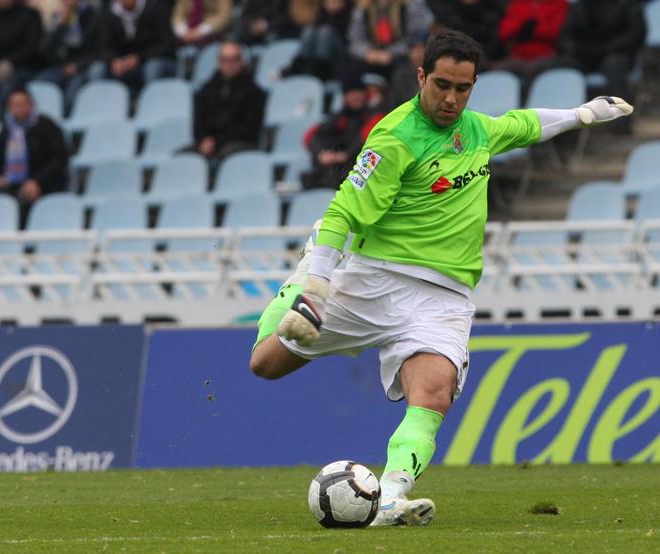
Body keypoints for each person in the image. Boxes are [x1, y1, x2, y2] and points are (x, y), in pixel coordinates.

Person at [248, 30, 632, 526]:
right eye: (443, 85)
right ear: (421, 76)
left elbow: (523, 124)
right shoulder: (394, 138)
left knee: (434, 392)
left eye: (464, 88)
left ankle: (388, 498)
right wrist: (316, 287)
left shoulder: (475, 130)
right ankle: (301, 276)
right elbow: (343, 211)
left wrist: (582, 113)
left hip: (443, 296)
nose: (452, 99)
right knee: (265, 364)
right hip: (372, 281)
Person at [0, 89, 68, 228]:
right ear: (10, 108)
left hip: (44, 183)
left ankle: (24, 243)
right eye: (15, 105)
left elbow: (59, 159)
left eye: (23, 103)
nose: (20, 108)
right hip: (11, 182)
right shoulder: (6, 130)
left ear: (31, 105)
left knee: (24, 199)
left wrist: (37, 181)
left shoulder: (47, 126)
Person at [560, 0, 646, 124]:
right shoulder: (578, 7)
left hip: (615, 53)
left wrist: (607, 48)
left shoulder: (627, 4)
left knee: (615, 65)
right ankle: (558, 120)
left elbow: (636, 35)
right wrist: (578, 50)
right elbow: (565, 38)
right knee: (558, 66)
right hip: (583, 56)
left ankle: (620, 122)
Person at [302, 72, 384, 188]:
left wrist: (345, 155)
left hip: (367, 169)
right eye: (351, 93)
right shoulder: (340, 116)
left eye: (358, 92)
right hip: (341, 169)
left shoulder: (376, 114)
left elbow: (367, 137)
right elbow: (310, 136)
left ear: (365, 93)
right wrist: (321, 154)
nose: (355, 96)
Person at [192, 41, 266, 161]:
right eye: (225, 60)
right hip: (210, 143)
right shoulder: (207, 90)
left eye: (235, 59)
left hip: (240, 142)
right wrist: (203, 140)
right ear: (218, 62)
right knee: (183, 155)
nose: (230, 64)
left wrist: (217, 141)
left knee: (225, 153)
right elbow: (199, 122)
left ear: (241, 61)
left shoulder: (254, 92)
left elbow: (248, 128)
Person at [91, 0, 177, 93]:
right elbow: (103, 46)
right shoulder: (110, 12)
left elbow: (166, 45)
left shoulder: (155, 7)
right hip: (122, 64)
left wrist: (139, 58)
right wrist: (113, 60)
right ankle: (103, 105)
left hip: (150, 61)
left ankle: (153, 103)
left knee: (152, 67)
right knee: (98, 69)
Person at [35, 0, 103, 110]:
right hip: (61, 66)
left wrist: (77, 65)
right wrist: (61, 24)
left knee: (70, 97)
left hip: (83, 66)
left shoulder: (91, 15)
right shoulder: (57, 17)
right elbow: (44, 48)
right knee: (38, 85)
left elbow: (97, 49)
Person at [493, 0, 569, 98]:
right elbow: (504, 32)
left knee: (532, 70)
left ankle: (528, 105)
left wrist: (528, 30)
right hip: (518, 56)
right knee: (495, 70)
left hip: (547, 55)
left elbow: (556, 31)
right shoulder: (518, 3)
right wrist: (527, 28)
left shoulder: (559, 4)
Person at [347, 0, 434, 81]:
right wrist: (368, 52)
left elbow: (415, 37)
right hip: (371, 59)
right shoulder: (362, 9)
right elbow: (354, 40)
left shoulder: (409, 6)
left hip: (402, 58)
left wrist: (391, 53)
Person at [0, 0, 45, 101]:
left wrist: (10, 62)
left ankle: (5, 116)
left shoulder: (29, 14)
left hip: (22, 66)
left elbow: (32, 45)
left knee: (7, 85)